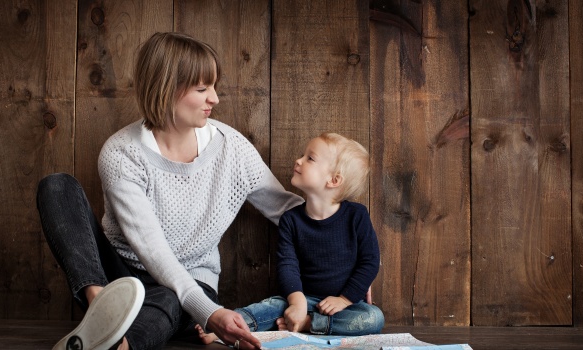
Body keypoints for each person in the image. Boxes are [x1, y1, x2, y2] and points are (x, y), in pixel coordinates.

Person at [36, 31, 303, 350]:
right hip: (121, 277)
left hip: (192, 286)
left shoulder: (232, 149)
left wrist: (351, 259)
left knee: (172, 297)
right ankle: (101, 310)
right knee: (56, 186)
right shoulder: (122, 153)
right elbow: (152, 250)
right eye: (203, 88)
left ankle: (117, 344)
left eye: (214, 87)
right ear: (166, 89)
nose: (214, 99)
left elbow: (288, 211)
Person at [198, 132, 384, 344]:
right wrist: (297, 302)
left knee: (373, 318)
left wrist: (344, 299)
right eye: (303, 155)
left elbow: (369, 261)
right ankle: (225, 327)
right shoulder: (291, 220)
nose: (299, 160)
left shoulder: (356, 216)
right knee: (270, 307)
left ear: (334, 180)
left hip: (344, 305)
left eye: (310, 158)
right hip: (303, 298)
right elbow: (288, 265)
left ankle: (307, 324)